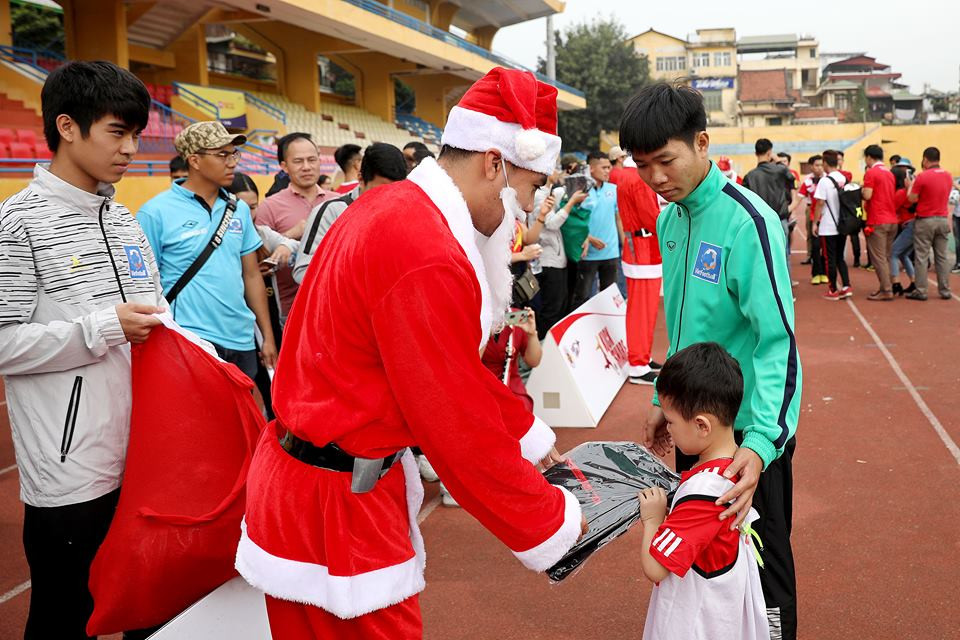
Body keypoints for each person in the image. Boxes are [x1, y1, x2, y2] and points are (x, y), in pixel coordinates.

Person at [236, 67, 585, 638]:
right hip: (338, 506)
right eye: (530, 187)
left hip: (312, 487)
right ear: (494, 163)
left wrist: (526, 438)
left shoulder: (392, 207)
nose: (527, 210)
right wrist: (553, 521)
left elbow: (444, 372)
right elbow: (451, 417)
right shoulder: (425, 247)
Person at [620, 82, 801, 640]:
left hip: (746, 437)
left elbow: (778, 343)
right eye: (642, 165)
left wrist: (761, 443)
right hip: (694, 428)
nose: (655, 178)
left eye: (666, 161)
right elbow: (680, 327)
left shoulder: (749, 222)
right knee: (703, 560)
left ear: (702, 142)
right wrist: (662, 399)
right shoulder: (672, 221)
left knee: (761, 569)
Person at [0, 60, 165, 640]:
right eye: (118, 133)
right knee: (67, 615)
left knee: (146, 605)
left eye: (137, 135)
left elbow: (153, 310)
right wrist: (101, 328)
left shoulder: (122, 219)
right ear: (67, 127)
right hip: (71, 471)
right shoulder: (16, 223)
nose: (131, 149)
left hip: (143, 454)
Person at [638, 342, 769, 640]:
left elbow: (656, 568)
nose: (667, 428)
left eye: (671, 421)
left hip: (697, 626)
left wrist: (652, 520)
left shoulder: (704, 493)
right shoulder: (732, 469)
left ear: (701, 425)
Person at [138, 121, 278, 381]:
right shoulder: (155, 212)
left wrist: (267, 336)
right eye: (222, 154)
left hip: (241, 337)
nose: (232, 162)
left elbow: (251, 276)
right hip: (189, 338)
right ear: (194, 160)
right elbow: (145, 284)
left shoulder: (239, 209)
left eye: (234, 153)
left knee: (241, 417)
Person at [229, 173, 298, 419]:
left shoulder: (262, 234)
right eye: (241, 207)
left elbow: (291, 244)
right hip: (237, 328)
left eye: (253, 206)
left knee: (274, 388)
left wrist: (280, 251)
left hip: (268, 323)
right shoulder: (224, 236)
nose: (248, 214)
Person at [293, 142, 408, 283]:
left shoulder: (404, 213)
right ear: (361, 179)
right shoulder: (332, 212)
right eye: (380, 191)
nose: (387, 199)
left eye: (395, 192)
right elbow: (303, 271)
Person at [253, 132, 334, 319]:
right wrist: (291, 235)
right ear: (284, 166)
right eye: (298, 161)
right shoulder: (270, 207)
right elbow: (258, 264)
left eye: (312, 160)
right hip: (291, 311)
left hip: (334, 305)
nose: (306, 167)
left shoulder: (337, 203)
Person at [609, 155, 663, 385]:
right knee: (643, 309)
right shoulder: (638, 178)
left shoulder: (628, 176)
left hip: (639, 247)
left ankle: (642, 357)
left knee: (643, 309)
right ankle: (638, 363)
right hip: (643, 248)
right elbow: (652, 217)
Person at [571, 150, 623, 307]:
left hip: (611, 252)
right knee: (583, 298)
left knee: (610, 299)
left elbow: (618, 217)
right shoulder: (579, 191)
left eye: (609, 167)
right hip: (587, 254)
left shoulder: (613, 189)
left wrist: (624, 242)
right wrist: (590, 239)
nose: (608, 171)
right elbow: (572, 221)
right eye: (604, 167)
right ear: (591, 168)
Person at [905, 146, 954, 300]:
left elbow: (912, 198)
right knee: (942, 257)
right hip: (942, 219)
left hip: (925, 219)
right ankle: (945, 289)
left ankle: (921, 290)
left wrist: (909, 186)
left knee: (921, 256)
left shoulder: (922, 176)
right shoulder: (948, 175)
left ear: (925, 159)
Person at [741, 138, 796, 266]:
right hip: (779, 218)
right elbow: (791, 177)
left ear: (755, 153)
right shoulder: (780, 170)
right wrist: (778, 161)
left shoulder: (749, 176)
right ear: (770, 152)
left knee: (760, 258)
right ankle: (784, 285)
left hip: (758, 221)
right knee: (783, 257)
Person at [481, 308, 542, 413]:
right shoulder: (478, 317)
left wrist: (532, 334)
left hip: (512, 388)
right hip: (482, 386)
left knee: (521, 408)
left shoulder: (515, 317)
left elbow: (533, 361)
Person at [812, 150, 853, 300]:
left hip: (829, 225)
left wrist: (815, 223)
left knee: (829, 258)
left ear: (825, 163)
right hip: (842, 223)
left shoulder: (825, 181)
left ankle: (833, 289)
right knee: (840, 257)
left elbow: (820, 203)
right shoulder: (843, 178)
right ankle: (847, 285)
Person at [861, 144, 898, 301]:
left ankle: (886, 289)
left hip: (877, 219)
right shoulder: (889, 173)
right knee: (887, 256)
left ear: (869, 157)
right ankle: (888, 285)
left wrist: (861, 191)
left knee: (878, 257)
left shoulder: (871, 173)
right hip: (892, 219)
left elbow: (868, 195)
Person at [795, 155, 826, 281]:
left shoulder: (828, 179)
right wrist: (788, 210)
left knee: (826, 246)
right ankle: (816, 273)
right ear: (811, 167)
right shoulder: (807, 181)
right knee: (815, 244)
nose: (819, 168)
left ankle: (825, 272)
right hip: (813, 215)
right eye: (816, 165)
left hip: (827, 217)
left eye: (821, 165)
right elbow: (798, 198)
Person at [890, 163, 917, 295]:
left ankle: (896, 283)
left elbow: (892, 208)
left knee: (893, 253)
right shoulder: (910, 191)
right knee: (903, 254)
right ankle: (913, 281)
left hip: (910, 226)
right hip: (914, 224)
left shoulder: (901, 193)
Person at [835, 150, 864, 268]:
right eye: (836, 159)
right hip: (838, 208)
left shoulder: (846, 174)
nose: (838, 162)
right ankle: (840, 258)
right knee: (839, 235)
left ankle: (857, 258)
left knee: (854, 235)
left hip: (849, 208)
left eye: (840, 159)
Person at [951, 179, 960, 273]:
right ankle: (958, 263)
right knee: (957, 241)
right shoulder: (958, 181)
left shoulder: (956, 183)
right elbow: (952, 199)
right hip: (957, 215)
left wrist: (956, 186)